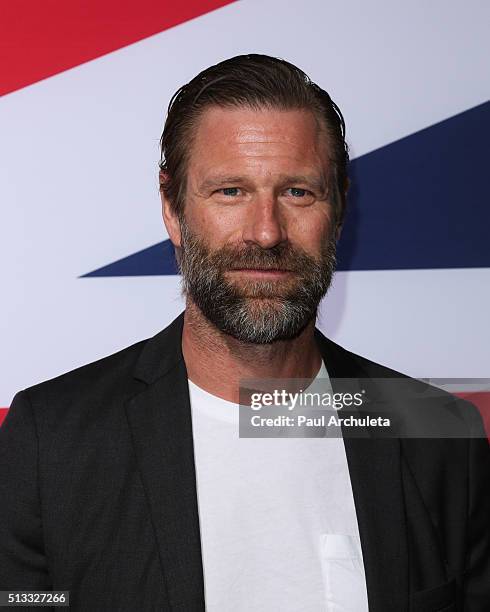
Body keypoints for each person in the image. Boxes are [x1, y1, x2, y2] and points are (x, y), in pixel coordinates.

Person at [0, 54, 488, 612]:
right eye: (231, 191)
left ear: (341, 208)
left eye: (298, 192)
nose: (266, 231)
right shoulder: (55, 440)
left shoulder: (438, 434)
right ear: (172, 207)